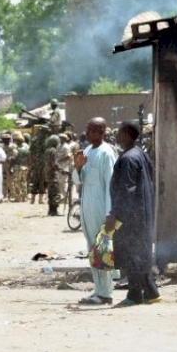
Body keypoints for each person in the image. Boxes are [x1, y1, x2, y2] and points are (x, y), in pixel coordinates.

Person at [107, 121, 160, 308]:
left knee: (133, 255)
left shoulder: (128, 158)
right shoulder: (141, 155)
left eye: (119, 132)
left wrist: (114, 214)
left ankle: (139, 294)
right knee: (140, 253)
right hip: (143, 213)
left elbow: (126, 189)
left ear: (128, 134)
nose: (116, 135)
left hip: (131, 215)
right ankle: (145, 293)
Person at [73, 117, 117, 305]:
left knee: (102, 248)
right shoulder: (88, 151)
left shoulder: (107, 153)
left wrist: (110, 213)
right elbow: (79, 180)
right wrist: (78, 166)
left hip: (101, 206)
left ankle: (106, 292)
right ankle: (98, 290)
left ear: (101, 132)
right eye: (87, 129)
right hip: (88, 205)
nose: (88, 133)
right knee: (92, 248)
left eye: (92, 130)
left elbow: (111, 185)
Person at [28, 126, 50, 204]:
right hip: (43, 163)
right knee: (41, 181)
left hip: (35, 163)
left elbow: (30, 152)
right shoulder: (46, 141)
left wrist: (30, 163)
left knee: (35, 180)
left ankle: (32, 199)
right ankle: (40, 199)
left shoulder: (34, 140)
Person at [44, 134, 62, 216]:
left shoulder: (47, 150)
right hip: (53, 174)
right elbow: (54, 163)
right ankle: (54, 211)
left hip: (47, 174)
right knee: (55, 192)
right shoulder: (53, 151)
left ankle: (50, 210)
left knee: (50, 193)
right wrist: (62, 170)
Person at [13, 131, 30, 203]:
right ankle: (24, 197)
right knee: (24, 182)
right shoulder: (27, 147)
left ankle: (18, 197)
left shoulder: (16, 148)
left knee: (17, 182)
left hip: (18, 167)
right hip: (25, 167)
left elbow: (14, 158)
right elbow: (30, 157)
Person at [1, 133, 18, 201]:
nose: (5, 140)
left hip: (11, 165)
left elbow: (15, 156)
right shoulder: (1, 147)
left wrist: (11, 163)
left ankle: (12, 195)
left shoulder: (13, 146)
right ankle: (4, 195)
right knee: (4, 181)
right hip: (3, 166)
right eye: (4, 139)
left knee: (11, 181)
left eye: (6, 139)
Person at [55, 133, 72, 203]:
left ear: (65, 139)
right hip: (58, 167)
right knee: (59, 183)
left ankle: (67, 198)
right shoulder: (58, 146)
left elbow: (68, 157)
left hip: (64, 167)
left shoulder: (66, 147)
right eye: (60, 138)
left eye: (62, 138)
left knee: (64, 183)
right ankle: (63, 197)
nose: (60, 139)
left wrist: (59, 160)